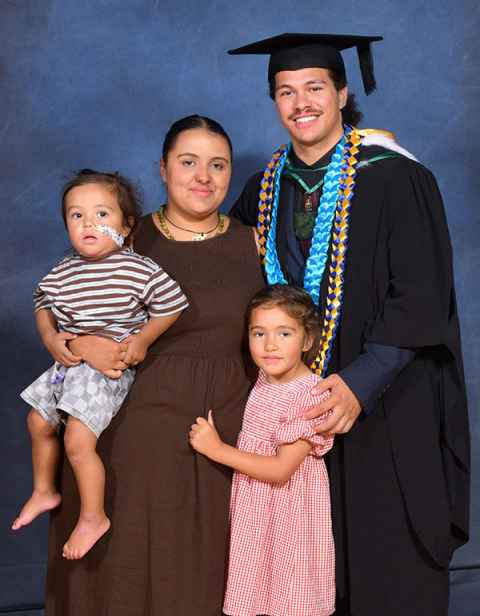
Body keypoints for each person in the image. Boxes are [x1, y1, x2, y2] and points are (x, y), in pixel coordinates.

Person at [228, 33, 470, 616]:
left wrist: (360, 383)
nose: (300, 102)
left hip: (382, 395)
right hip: (291, 408)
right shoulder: (263, 189)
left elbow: (421, 294)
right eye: (285, 91)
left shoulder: (396, 178)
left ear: (342, 93)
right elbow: (228, 275)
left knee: (383, 554)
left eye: (314, 87)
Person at [41, 116, 265, 615]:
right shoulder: (124, 237)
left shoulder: (255, 244)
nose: (203, 176)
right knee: (126, 570)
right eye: (188, 162)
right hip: (130, 428)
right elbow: (64, 308)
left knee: (205, 573)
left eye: (217, 165)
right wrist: (75, 341)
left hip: (223, 433)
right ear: (163, 169)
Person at [13, 169, 188, 560]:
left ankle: (94, 515)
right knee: (36, 422)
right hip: (69, 363)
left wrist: (141, 339)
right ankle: (44, 489)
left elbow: (171, 306)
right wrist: (50, 338)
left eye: (102, 215)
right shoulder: (64, 270)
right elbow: (42, 304)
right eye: (76, 216)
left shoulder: (135, 268)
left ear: (126, 227)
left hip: (105, 370)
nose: (88, 223)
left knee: (77, 440)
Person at [190, 284, 335, 616]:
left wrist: (216, 449)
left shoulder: (310, 395)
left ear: (307, 340)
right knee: (256, 592)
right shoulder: (262, 380)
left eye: (284, 333)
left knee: (290, 593)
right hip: (256, 513)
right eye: (259, 333)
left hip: (289, 515)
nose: (270, 345)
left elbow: (280, 469)